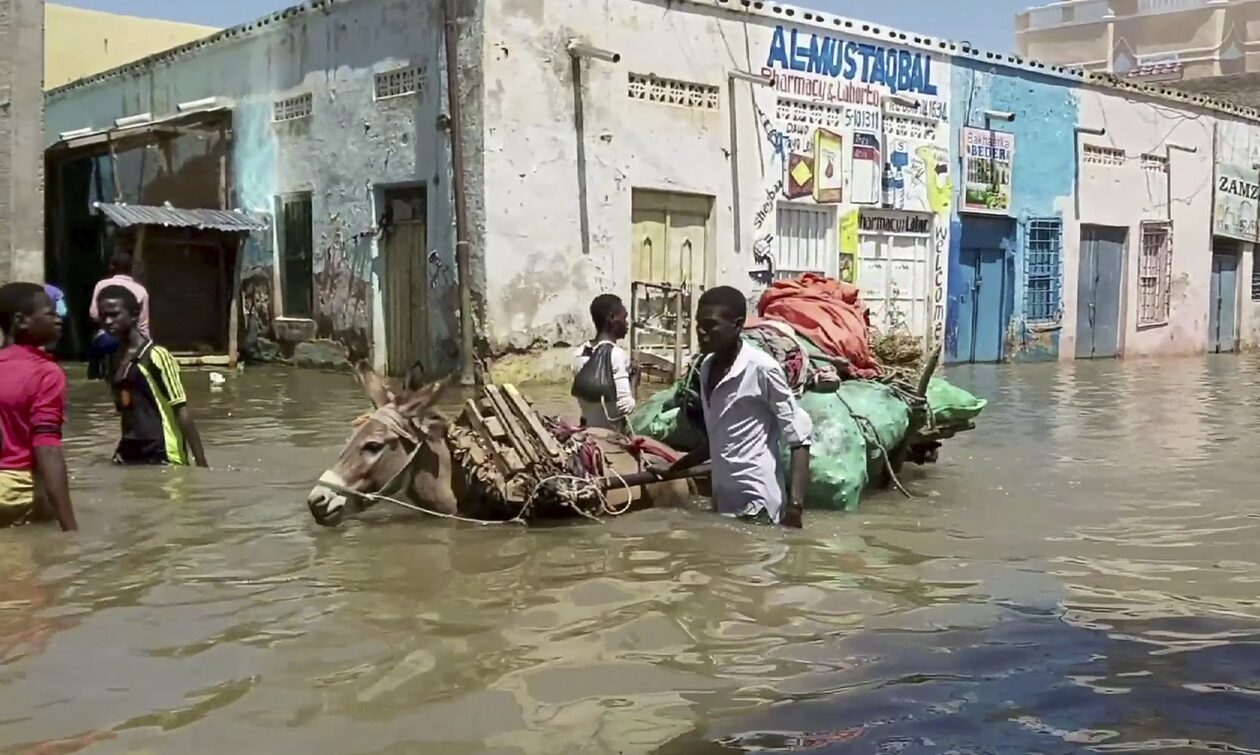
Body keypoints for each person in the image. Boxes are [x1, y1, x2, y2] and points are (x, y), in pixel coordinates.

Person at [653, 286, 812, 529]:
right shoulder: (705, 368)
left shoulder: (761, 369)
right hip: (723, 499)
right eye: (698, 325)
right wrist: (674, 468)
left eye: (710, 325)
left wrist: (795, 508)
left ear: (737, 326)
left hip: (758, 502)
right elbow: (718, 440)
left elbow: (799, 439)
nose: (701, 333)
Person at [96, 285, 208, 468]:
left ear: (133, 315)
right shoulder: (111, 359)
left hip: (163, 452)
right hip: (131, 450)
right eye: (103, 316)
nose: (108, 321)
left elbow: (181, 410)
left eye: (114, 315)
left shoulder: (156, 356)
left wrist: (202, 465)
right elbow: (125, 410)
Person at [0, 283, 78, 531]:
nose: (59, 319)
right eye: (50, 313)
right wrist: (70, 529)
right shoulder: (46, 373)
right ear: (21, 321)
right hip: (14, 492)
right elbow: (48, 450)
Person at [572, 293, 637, 431]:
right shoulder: (616, 354)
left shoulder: (579, 353)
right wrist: (635, 381)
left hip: (588, 430)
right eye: (624, 317)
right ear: (612, 318)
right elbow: (626, 407)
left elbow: (591, 400)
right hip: (609, 434)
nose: (626, 323)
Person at [88, 251, 149, 380]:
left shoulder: (102, 285)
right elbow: (144, 323)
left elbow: (93, 314)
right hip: (132, 342)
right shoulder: (141, 290)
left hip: (106, 340)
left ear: (111, 267)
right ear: (131, 268)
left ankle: (93, 371)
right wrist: (147, 346)